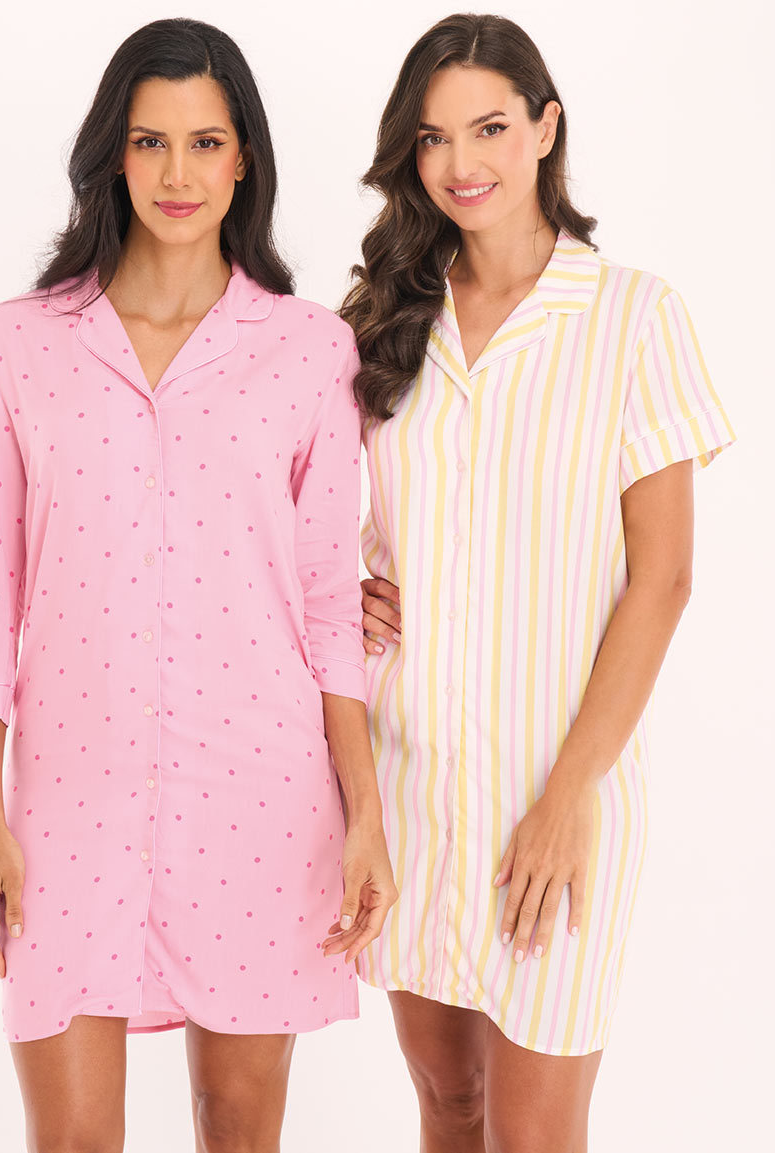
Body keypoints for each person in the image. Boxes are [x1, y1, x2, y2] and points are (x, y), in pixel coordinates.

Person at [0, 17, 396, 1152]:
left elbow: (329, 605)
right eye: (150, 142)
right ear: (114, 155)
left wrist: (365, 813)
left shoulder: (309, 349)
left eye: (204, 142)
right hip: (67, 804)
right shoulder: (18, 345)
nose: (177, 173)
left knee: (238, 1130)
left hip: (261, 795)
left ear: (244, 160)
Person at [340, 12, 735, 1152]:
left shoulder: (634, 316)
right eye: (433, 137)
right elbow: (308, 512)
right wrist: (335, 591)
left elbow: (664, 579)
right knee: (447, 1102)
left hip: (559, 793)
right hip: (409, 784)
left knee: (535, 1133)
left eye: (492, 128)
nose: (462, 163)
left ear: (547, 128)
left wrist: (566, 801)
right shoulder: (382, 320)